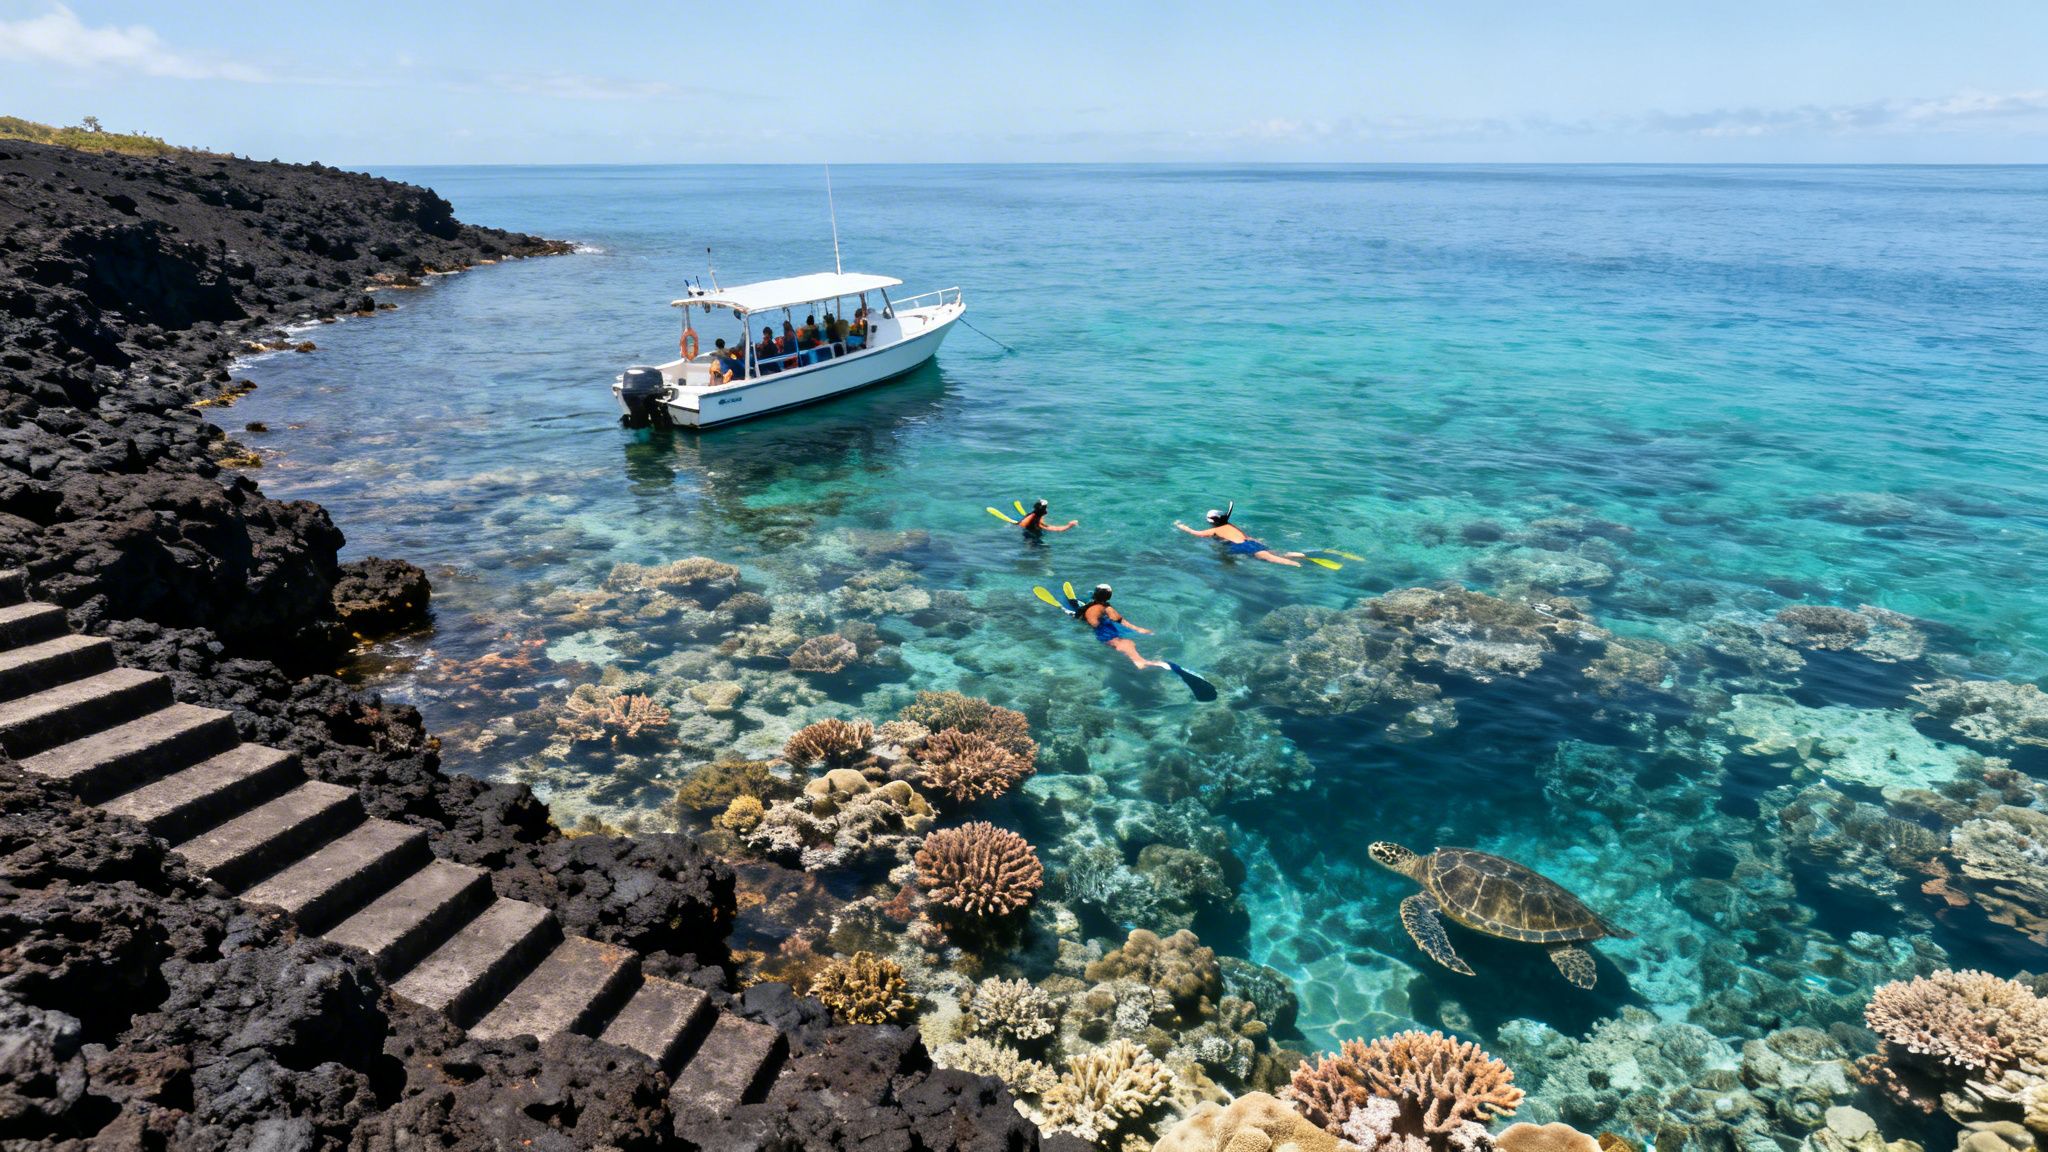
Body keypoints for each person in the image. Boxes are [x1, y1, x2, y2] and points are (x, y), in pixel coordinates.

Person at [1174, 505, 1307, 566]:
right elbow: (1247, 536)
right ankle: (1297, 555)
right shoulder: (1231, 526)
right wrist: (1257, 541)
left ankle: (1295, 564)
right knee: (1272, 552)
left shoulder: (1214, 530)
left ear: (1210, 522)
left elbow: (1197, 534)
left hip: (1243, 546)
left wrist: (1182, 527)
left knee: (1269, 558)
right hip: (1250, 542)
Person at [1075, 584, 1168, 671]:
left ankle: (1139, 661)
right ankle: (1140, 661)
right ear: (1109, 596)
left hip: (1096, 627)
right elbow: (1118, 619)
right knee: (1124, 643)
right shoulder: (1105, 607)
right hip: (1102, 628)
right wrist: (1138, 629)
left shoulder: (1088, 606)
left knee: (1121, 643)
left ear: (1095, 595)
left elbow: (1080, 617)